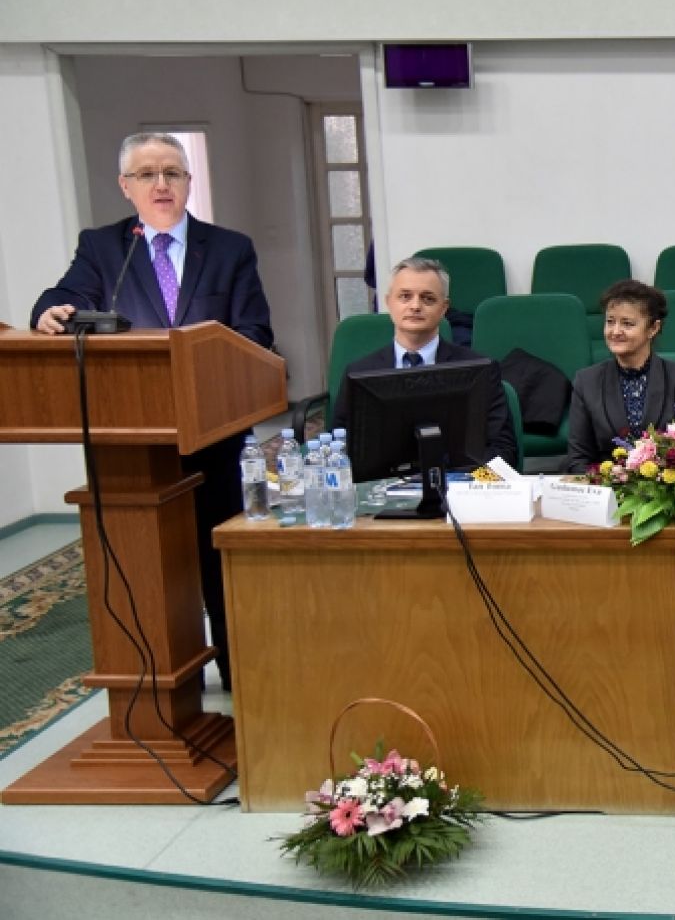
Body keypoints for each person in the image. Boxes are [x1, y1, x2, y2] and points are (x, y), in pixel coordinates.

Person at [32, 131, 274, 691]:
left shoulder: (230, 248)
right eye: (147, 174)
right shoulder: (103, 248)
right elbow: (62, 298)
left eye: (172, 173)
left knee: (217, 557)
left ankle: (239, 680)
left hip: (212, 432)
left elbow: (256, 333)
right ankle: (158, 680)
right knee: (145, 563)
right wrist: (49, 312)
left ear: (188, 181)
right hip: (131, 439)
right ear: (126, 186)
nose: (161, 184)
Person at [331, 256, 518, 468]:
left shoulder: (480, 369)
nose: (415, 306)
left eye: (428, 299)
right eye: (405, 296)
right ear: (389, 302)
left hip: (458, 482)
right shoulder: (359, 372)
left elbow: (503, 451)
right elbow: (341, 448)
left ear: (444, 308)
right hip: (384, 485)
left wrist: (463, 481)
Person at [564, 280, 675, 473]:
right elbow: (578, 459)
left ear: (653, 328)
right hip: (605, 486)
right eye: (610, 321)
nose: (615, 331)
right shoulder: (586, 381)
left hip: (665, 486)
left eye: (627, 324)